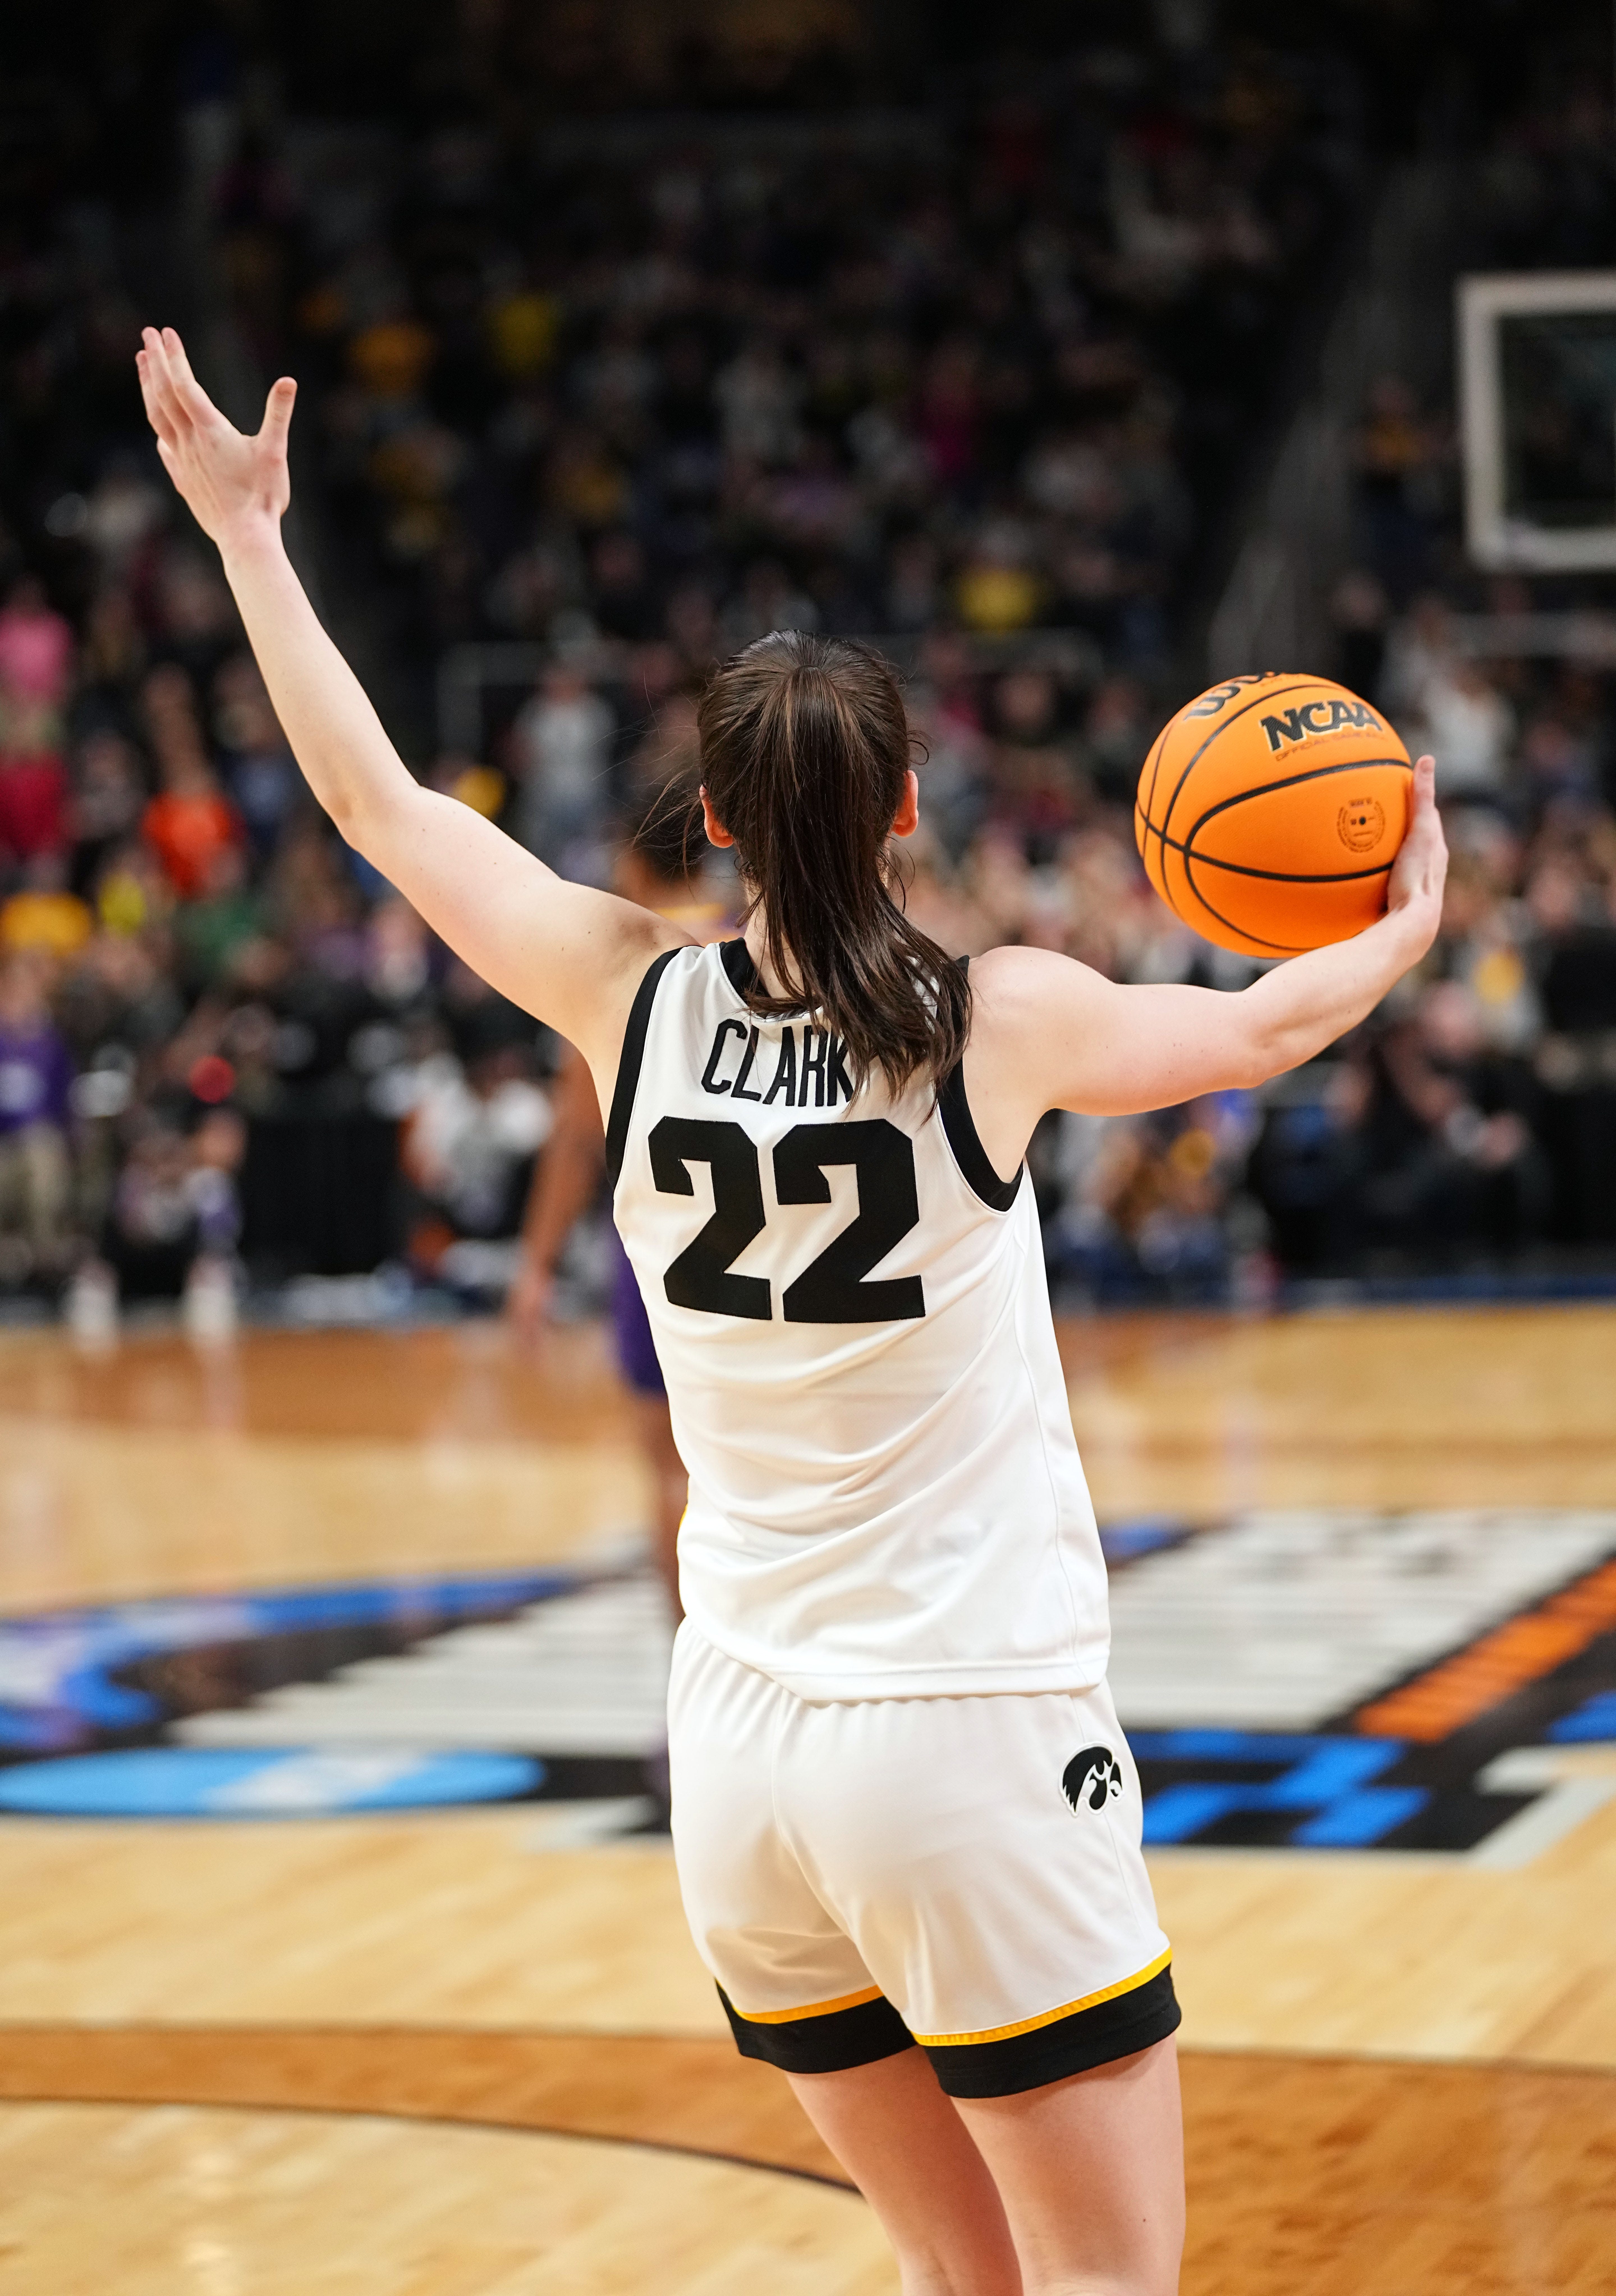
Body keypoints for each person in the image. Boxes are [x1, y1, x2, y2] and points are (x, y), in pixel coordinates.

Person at [137, 325, 1449, 2296]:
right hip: (965, 1734)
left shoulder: (621, 990)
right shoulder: (993, 1021)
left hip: (741, 1748)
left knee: (960, 2280)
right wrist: (1409, 918)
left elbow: (382, 807)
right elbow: (1270, 1019)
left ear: (720, 821)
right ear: (910, 800)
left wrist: (249, 537)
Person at [507, 780, 730, 1622]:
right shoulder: (761, 945)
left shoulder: (623, 969)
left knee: (669, 1472)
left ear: (633, 864)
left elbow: (574, 1135)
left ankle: (695, 1665)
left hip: (662, 1240)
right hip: (782, 1236)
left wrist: (534, 1264)